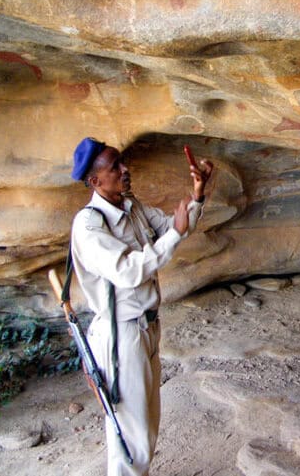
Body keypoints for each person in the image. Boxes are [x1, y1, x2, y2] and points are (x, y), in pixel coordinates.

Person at [69, 137, 213, 476]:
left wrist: (197, 195)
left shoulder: (129, 206)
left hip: (145, 328)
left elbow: (171, 226)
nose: (125, 170)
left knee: (144, 427)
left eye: (122, 163)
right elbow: (128, 271)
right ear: (95, 181)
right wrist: (175, 234)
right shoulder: (89, 226)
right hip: (121, 336)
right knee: (130, 438)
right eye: (115, 166)